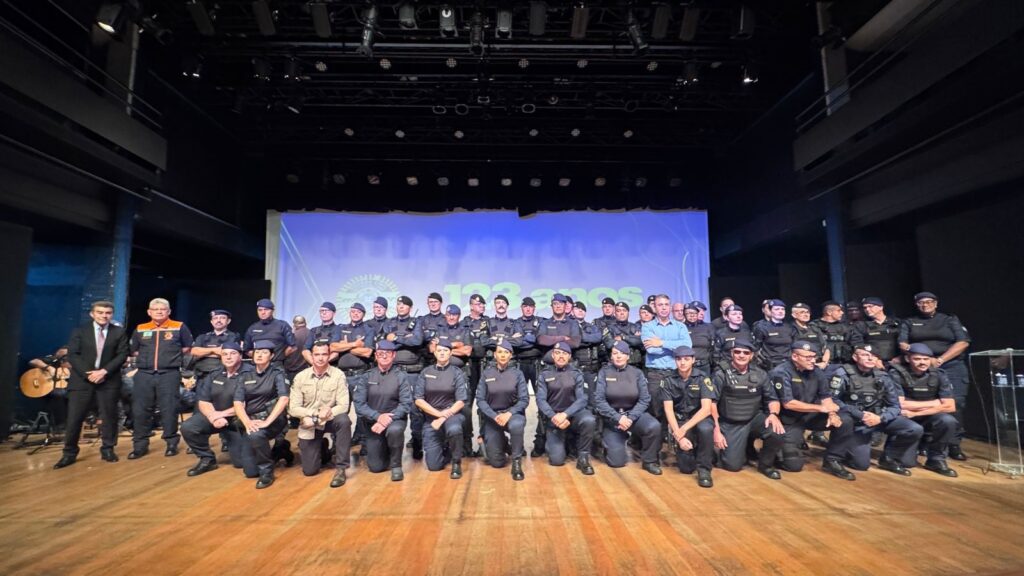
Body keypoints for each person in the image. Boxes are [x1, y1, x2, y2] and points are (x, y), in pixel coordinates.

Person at [826, 344, 924, 476]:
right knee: (861, 465)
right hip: (857, 423)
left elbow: (895, 406)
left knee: (914, 428)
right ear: (855, 357)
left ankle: (889, 458)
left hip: (879, 419)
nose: (870, 358)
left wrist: (881, 418)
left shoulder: (883, 376)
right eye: (865, 355)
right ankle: (845, 450)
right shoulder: (843, 374)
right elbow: (833, 400)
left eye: (874, 356)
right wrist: (860, 415)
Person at [54, 301, 130, 469]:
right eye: (100, 312)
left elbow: (122, 354)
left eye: (108, 313)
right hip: (82, 380)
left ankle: (108, 449)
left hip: (108, 380)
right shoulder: (80, 331)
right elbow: (73, 355)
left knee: (109, 417)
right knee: (74, 418)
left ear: (112, 314)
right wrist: (89, 374)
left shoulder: (119, 332)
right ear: (92, 314)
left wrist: (104, 372)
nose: (104, 315)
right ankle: (69, 453)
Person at [898, 291, 971, 461]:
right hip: (921, 366)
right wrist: (921, 357)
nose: (925, 305)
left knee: (955, 403)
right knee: (922, 400)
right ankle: (926, 440)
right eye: (921, 303)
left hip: (951, 365)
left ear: (936, 303)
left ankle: (954, 444)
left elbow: (963, 342)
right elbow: (903, 344)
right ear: (916, 305)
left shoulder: (949, 319)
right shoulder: (909, 321)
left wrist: (939, 360)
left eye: (929, 302)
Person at [769, 341, 854, 481]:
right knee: (793, 465)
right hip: (789, 420)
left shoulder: (817, 372)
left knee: (845, 421)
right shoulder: (780, 372)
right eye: (807, 357)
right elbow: (788, 403)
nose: (813, 360)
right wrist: (821, 408)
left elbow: (826, 397)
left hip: (810, 416)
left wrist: (832, 414)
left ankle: (833, 460)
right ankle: (778, 451)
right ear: (795, 356)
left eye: (814, 356)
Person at [128, 297, 194, 459]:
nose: (159, 312)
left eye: (162, 309)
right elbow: (134, 350)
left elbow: (187, 348)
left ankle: (171, 443)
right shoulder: (141, 328)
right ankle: (140, 445)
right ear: (149, 312)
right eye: (155, 309)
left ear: (169, 311)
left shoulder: (179, 327)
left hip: (169, 374)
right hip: (144, 374)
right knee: (140, 410)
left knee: (169, 409)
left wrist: (169, 359)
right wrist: (148, 361)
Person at [709, 340, 785, 479]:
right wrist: (717, 430)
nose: (741, 355)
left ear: (752, 356)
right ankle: (737, 449)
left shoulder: (761, 374)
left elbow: (772, 399)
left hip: (754, 418)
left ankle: (766, 465)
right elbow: (711, 404)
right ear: (732, 353)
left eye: (746, 352)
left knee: (776, 431)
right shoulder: (721, 374)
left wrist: (774, 414)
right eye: (737, 352)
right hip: (731, 422)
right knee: (732, 466)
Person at [180, 342, 251, 477]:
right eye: (224, 354)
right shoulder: (215, 373)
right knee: (188, 427)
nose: (228, 357)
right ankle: (207, 459)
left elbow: (246, 403)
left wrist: (220, 415)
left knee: (241, 463)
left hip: (239, 421)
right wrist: (213, 416)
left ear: (240, 356)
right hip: (215, 417)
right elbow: (203, 400)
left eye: (233, 353)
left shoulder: (250, 373)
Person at [889, 344, 959, 477]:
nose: (922, 362)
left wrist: (916, 411)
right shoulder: (896, 373)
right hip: (905, 419)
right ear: (908, 359)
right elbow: (900, 404)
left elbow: (950, 406)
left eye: (926, 359)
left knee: (948, 421)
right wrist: (936, 403)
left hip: (923, 416)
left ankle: (936, 459)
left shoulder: (939, 374)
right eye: (918, 359)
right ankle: (894, 454)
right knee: (907, 463)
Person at [289, 341, 351, 488]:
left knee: (344, 421)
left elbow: (343, 406)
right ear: (311, 356)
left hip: (330, 419)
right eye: (317, 354)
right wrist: (315, 415)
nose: (321, 358)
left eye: (324, 354)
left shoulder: (338, 375)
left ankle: (341, 468)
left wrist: (322, 417)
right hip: (309, 423)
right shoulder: (300, 377)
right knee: (309, 471)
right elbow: (293, 408)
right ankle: (322, 447)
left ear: (329, 356)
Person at [594, 341, 662, 474]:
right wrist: (618, 418)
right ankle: (607, 443)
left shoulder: (637, 373)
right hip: (612, 419)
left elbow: (644, 399)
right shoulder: (604, 372)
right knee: (617, 462)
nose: (619, 356)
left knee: (654, 426)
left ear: (628, 356)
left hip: (634, 416)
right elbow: (599, 401)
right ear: (611, 356)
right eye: (615, 353)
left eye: (622, 353)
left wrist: (630, 418)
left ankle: (649, 461)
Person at [353, 340, 413, 481]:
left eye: (387, 353)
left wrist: (386, 420)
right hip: (372, 423)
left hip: (394, 419)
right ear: (376, 356)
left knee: (394, 431)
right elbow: (359, 404)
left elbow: (406, 404)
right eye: (380, 353)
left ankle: (396, 465)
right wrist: (378, 417)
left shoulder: (401, 376)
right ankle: (384, 449)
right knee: (376, 467)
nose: (384, 356)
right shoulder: (366, 376)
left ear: (393, 355)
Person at [234, 340, 290, 488]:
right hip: (250, 420)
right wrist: (247, 422)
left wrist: (267, 422)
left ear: (271, 356)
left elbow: (284, 398)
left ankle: (267, 471)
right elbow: (238, 403)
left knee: (256, 434)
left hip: (273, 419)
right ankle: (281, 449)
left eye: (264, 352)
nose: (259, 355)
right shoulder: (245, 374)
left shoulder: (277, 373)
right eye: (257, 352)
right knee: (250, 472)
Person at [536, 342, 596, 475]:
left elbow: (582, 399)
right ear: (553, 355)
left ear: (569, 356)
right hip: (554, 419)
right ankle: (562, 442)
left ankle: (583, 457)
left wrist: (565, 414)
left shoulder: (576, 374)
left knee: (589, 420)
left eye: (564, 353)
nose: (561, 356)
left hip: (573, 416)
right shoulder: (544, 374)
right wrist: (554, 416)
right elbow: (540, 400)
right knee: (557, 460)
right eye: (557, 353)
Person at [414, 337, 468, 479]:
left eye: (445, 350)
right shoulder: (425, 373)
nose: (442, 353)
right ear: (435, 353)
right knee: (434, 466)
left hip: (453, 415)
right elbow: (418, 400)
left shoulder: (457, 373)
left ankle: (456, 461)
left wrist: (444, 416)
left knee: (454, 429)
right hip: (431, 418)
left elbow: (461, 401)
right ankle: (446, 449)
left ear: (451, 353)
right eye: (439, 350)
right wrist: (438, 414)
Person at [661, 346, 715, 487]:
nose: (682, 362)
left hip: (699, 418)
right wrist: (679, 436)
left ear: (693, 360)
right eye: (679, 359)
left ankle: (704, 469)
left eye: (686, 359)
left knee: (705, 430)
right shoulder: (668, 380)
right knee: (686, 468)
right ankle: (696, 451)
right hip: (680, 419)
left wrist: (682, 429)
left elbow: (706, 409)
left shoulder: (703, 378)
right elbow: (668, 410)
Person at [476, 340, 529, 480]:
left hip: (512, 414)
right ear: (495, 355)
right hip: (493, 417)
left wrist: (509, 413)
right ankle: (504, 444)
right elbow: (480, 400)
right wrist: (494, 416)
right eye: (500, 352)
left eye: (506, 352)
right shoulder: (486, 374)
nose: (503, 355)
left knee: (516, 425)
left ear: (511, 355)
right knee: (496, 462)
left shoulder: (518, 374)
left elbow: (524, 399)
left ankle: (516, 462)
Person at [331, 302, 376, 453]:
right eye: (353, 311)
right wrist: (355, 344)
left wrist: (345, 346)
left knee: (361, 410)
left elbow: (367, 352)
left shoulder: (368, 330)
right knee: (339, 410)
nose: (355, 314)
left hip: (360, 375)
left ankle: (364, 443)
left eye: (358, 312)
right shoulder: (340, 328)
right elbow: (333, 347)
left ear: (363, 314)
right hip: (341, 376)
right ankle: (337, 443)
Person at [641, 294, 693, 424]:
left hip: (675, 372)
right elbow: (651, 349)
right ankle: (660, 438)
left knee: (678, 407)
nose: (663, 308)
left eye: (666, 305)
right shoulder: (648, 327)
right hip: (655, 373)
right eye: (660, 305)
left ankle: (675, 436)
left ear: (669, 307)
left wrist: (661, 343)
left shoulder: (680, 326)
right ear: (654, 308)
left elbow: (686, 346)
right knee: (656, 408)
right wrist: (675, 346)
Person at [242, 298, 296, 368]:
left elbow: (293, 347)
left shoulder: (282, 325)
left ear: (272, 311)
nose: (263, 312)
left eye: (266, 310)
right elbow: (247, 350)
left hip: (276, 365)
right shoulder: (252, 328)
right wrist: (261, 358)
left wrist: (280, 356)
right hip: (257, 366)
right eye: (260, 310)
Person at [851, 297, 901, 366]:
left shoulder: (896, 323)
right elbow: (857, 344)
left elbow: (904, 342)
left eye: (870, 306)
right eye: (865, 308)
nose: (867, 310)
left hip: (896, 362)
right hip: (873, 363)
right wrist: (874, 359)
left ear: (881, 307)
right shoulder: (861, 325)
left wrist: (902, 357)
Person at [752, 299, 797, 371]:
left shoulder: (790, 327)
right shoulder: (762, 327)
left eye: (782, 309)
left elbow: (795, 346)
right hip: (770, 364)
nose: (780, 311)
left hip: (788, 363)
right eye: (777, 309)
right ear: (770, 311)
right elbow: (756, 347)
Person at [813, 301, 853, 366]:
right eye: (839, 311)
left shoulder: (845, 327)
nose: (842, 313)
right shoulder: (814, 326)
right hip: (822, 364)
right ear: (829, 312)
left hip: (842, 363)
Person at [790, 303, 829, 367]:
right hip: (802, 365)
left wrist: (824, 362)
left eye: (807, 312)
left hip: (819, 363)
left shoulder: (814, 328)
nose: (806, 314)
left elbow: (826, 348)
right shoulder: (791, 329)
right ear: (794, 315)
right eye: (802, 312)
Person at [683, 303, 718, 372]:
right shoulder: (681, 328)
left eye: (694, 313)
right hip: (687, 365)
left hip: (705, 365)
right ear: (684, 314)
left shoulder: (707, 327)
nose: (692, 315)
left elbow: (713, 346)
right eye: (689, 313)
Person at [283, 315, 308, 381]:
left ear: (294, 324)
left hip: (291, 369)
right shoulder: (311, 333)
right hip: (305, 369)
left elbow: (289, 350)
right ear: (305, 323)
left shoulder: (291, 335)